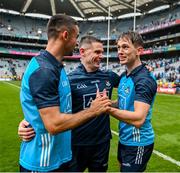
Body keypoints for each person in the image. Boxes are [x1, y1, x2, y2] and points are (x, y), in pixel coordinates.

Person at [19, 15, 111, 172]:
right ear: (65, 35)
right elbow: (54, 124)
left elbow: (47, 109)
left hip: (61, 157)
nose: (76, 43)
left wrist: (28, 121)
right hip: (43, 162)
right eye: (76, 37)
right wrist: (93, 110)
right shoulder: (44, 71)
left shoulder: (56, 67)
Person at [108, 31, 157, 172]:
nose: (120, 51)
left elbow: (138, 119)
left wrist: (107, 110)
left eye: (125, 47)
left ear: (139, 51)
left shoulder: (144, 80)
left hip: (138, 142)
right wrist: (108, 103)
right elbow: (123, 102)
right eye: (118, 48)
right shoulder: (124, 76)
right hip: (124, 139)